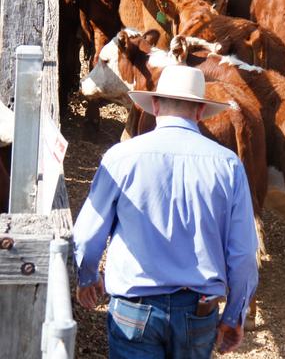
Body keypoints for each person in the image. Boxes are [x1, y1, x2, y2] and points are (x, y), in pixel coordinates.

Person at [73, 65, 259, 358]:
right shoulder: (228, 165)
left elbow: (85, 236)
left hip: (134, 307)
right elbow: (244, 253)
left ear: (155, 105)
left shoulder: (121, 157)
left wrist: (87, 277)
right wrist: (234, 314)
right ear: (199, 111)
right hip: (199, 309)